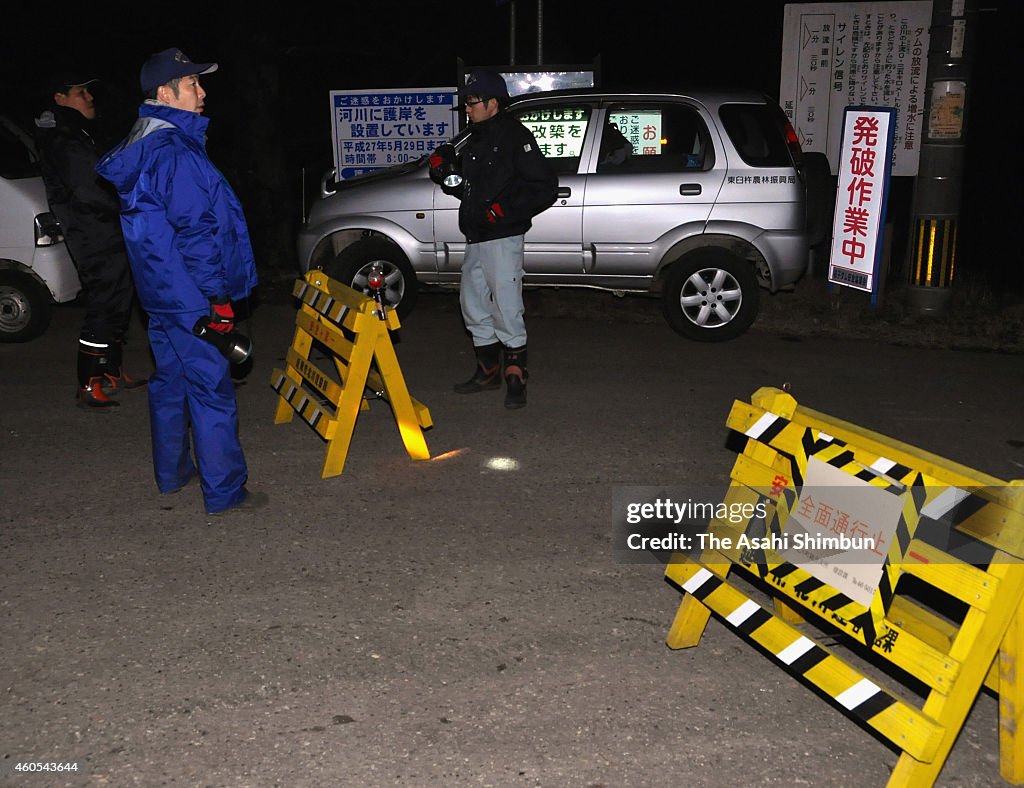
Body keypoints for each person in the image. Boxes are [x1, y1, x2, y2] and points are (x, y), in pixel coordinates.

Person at [96, 48, 265, 515]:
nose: (202, 92)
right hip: (190, 295)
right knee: (212, 389)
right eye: (193, 84)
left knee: (169, 381)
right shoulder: (173, 150)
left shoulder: (146, 140)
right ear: (166, 93)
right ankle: (225, 492)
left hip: (159, 290)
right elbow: (196, 232)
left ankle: (172, 474)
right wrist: (218, 298)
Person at [431, 69, 557, 409]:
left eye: (472, 102)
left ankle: (517, 376)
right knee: (472, 304)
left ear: (493, 103)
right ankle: (488, 371)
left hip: (502, 236)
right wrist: (446, 172)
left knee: (506, 306)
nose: (467, 108)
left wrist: (501, 211)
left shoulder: (516, 137)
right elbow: (471, 189)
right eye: (467, 103)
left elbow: (544, 186)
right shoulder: (475, 138)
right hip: (476, 236)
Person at [35, 73, 147, 408]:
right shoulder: (64, 137)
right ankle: (88, 381)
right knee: (103, 301)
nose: (89, 97)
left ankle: (111, 371)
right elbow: (88, 190)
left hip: (105, 227)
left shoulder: (78, 131)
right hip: (91, 232)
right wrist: (126, 205)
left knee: (119, 297)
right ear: (60, 99)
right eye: (80, 92)